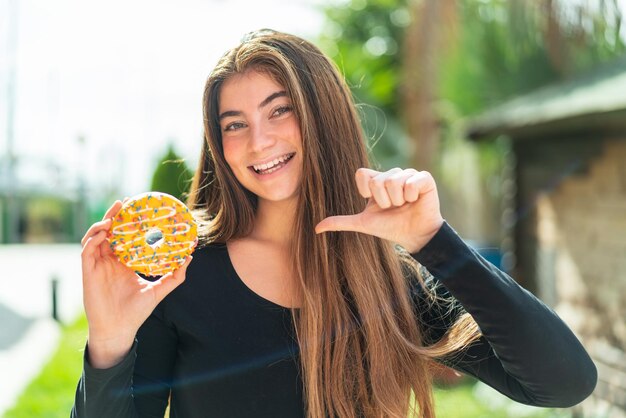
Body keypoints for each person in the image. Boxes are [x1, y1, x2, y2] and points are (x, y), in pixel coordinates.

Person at [72, 29, 597, 418]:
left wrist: (436, 244)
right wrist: (111, 344)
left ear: (323, 115)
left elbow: (563, 383)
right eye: (235, 124)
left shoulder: (393, 282)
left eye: (280, 111)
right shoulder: (183, 278)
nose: (259, 141)